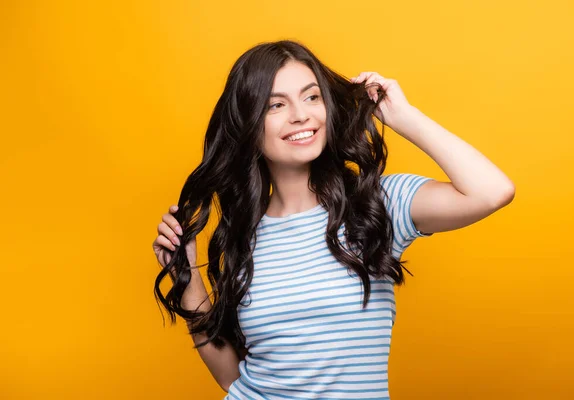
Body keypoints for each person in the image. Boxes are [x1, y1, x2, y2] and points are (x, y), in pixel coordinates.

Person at [151, 40, 515, 399]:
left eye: (311, 97)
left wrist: (404, 117)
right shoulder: (242, 236)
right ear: (248, 124)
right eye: (276, 104)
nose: (300, 114)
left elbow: (491, 191)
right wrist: (189, 281)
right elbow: (233, 379)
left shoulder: (377, 206)